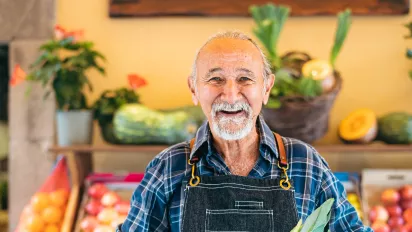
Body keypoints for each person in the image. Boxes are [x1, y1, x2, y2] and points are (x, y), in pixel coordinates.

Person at [117, 31, 371, 232]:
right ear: (194, 88)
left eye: (245, 79)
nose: (230, 95)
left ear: (267, 88)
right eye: (215, 79)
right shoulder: (168, 167)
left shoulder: (304, 162)